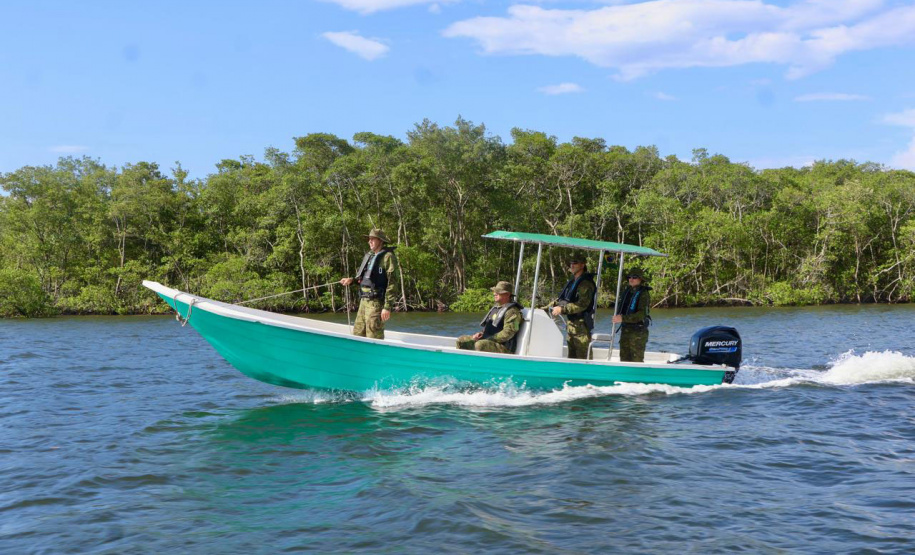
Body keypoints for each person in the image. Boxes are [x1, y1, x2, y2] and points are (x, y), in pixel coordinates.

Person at [339, 228, 400, 339]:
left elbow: (393, 283)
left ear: (380, 241)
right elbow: (365, 279)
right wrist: (351, 280)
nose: (369, 241)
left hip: (376, 303)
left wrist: (387, 307)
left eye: (372, 239)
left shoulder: (388, 257)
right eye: (369, 239)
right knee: (357, 335)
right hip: (363, 302)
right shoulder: (370, 256)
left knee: (373, 336)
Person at [547, 252, 597, 359]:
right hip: (571, 326)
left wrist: (562, 309)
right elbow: (562, 300)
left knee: (583, 360)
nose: (572, 265)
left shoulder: (586, 284)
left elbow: (582, 305)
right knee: (572, 358)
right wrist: (546, 308)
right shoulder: (572, 282)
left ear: (582, 265)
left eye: (575, 263)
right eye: (570, 263)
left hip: (581, 327)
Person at [456, 281, 523, 354]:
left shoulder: (512, 312)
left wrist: (489, 338)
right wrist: (481, 334)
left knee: (480, 345)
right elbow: (490, 327)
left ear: (507, 294)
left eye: (498, 292)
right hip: (489, 341)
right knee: (461, 340)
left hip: (504, 347)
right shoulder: (497, 308)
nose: (495, 293)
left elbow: (508, 333)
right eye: (495, 291)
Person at [611, 267, 652, 362]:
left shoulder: (643, 294)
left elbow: (641, 315)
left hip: (637, 333)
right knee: (624, 360)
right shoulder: (627, 291)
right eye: (629, 277)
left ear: (640, 279)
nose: (631, 279)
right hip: (625, 331)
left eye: (634, 277)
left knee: (636, 361)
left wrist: (623, 318)